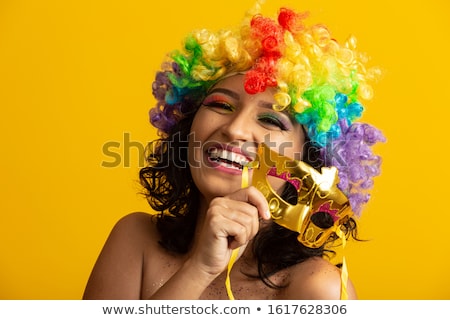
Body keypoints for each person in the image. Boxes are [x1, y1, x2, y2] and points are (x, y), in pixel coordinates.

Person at [83, 1, 385, 300]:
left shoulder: (317, 288)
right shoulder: (135, 240)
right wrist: (200, 269)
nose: (235, 129)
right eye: (220, 105)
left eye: (270, 120)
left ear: (310, 161)